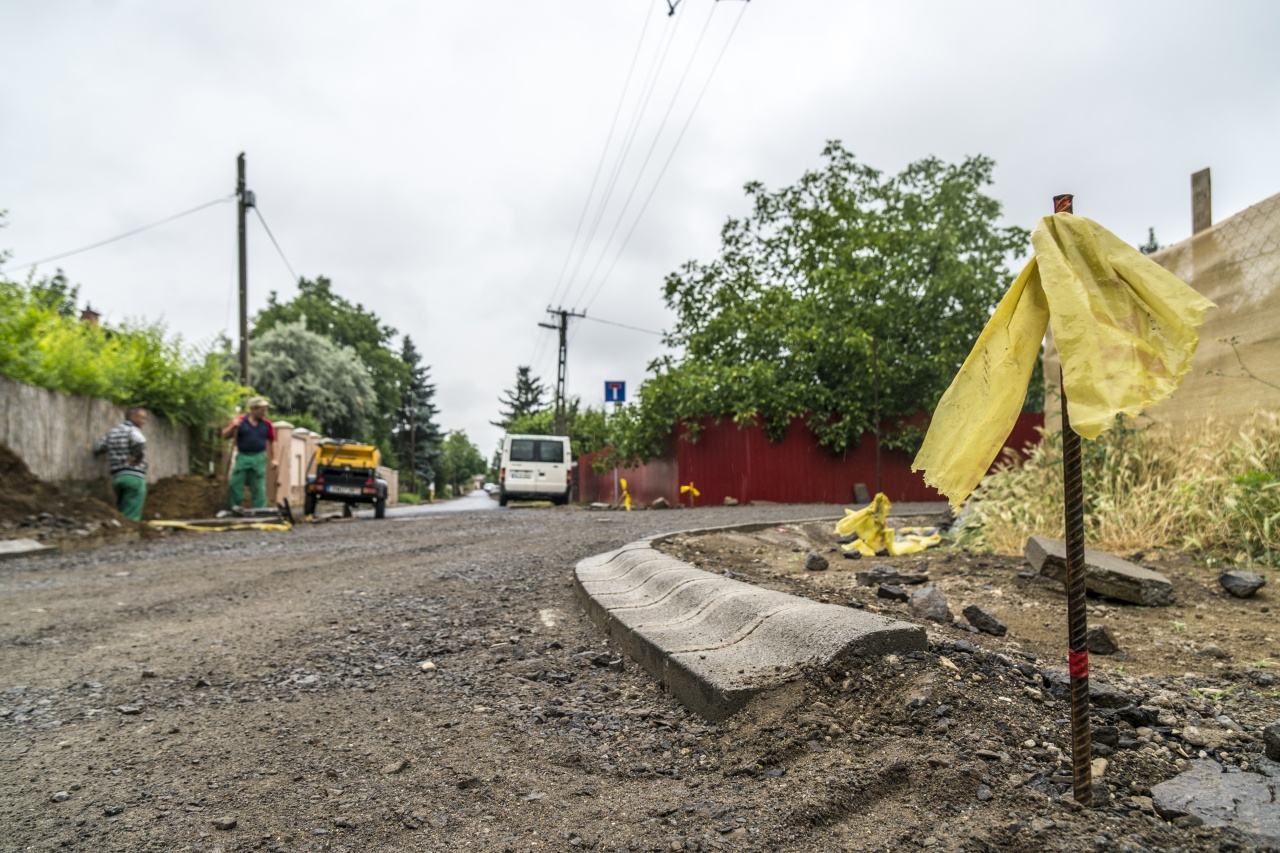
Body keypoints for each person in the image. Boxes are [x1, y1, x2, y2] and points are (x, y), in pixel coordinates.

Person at [222, 397, 277, 509]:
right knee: (235, 483)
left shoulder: (267, 424)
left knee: (258, 486)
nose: (264, 412)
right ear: (253, 409)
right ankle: (234, 508)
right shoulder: (240, 420)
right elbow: (224, 435)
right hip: (243, 456)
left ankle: (260, 510)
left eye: (265, 409)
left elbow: (273, 441)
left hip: (259, 457)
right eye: (262, 409)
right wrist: (233, 426)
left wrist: (274, 459)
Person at [94, 407, 148, 521]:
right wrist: (137, 458)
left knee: (122, 508)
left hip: (117, 477)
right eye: (141, 418)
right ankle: (131, 532)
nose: (144, 421)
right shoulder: (133, 430)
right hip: (134, 476)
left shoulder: (112, 432)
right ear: (132, 417)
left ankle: (121, 531)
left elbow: (99, 448)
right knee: (132, 511)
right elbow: (140, 442)